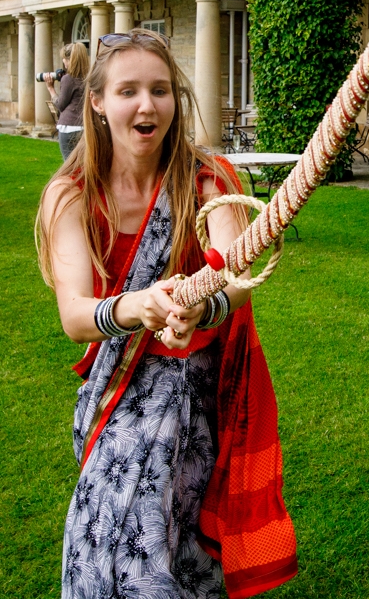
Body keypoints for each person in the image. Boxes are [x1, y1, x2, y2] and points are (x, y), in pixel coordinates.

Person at [35, 30, 298, 597]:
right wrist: (140, 305)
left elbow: (236, 280)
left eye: (160, 90)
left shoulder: (207, 180)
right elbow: (76, 315)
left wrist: (202, 310)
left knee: (176, 541)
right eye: (128, 90)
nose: (147, 104)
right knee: (105, 534)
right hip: (120, 387)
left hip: (195, 391)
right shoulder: (72, 193)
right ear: (97, 102)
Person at [45, 42, 90, 161]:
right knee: (82, 164)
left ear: (71, 60)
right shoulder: (89, 78)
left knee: (69, 164)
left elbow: (60, 105)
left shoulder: (68, 79)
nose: (64, 62)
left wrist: (50, 89)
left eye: (64, 59)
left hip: (69, 128)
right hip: (84, 127)